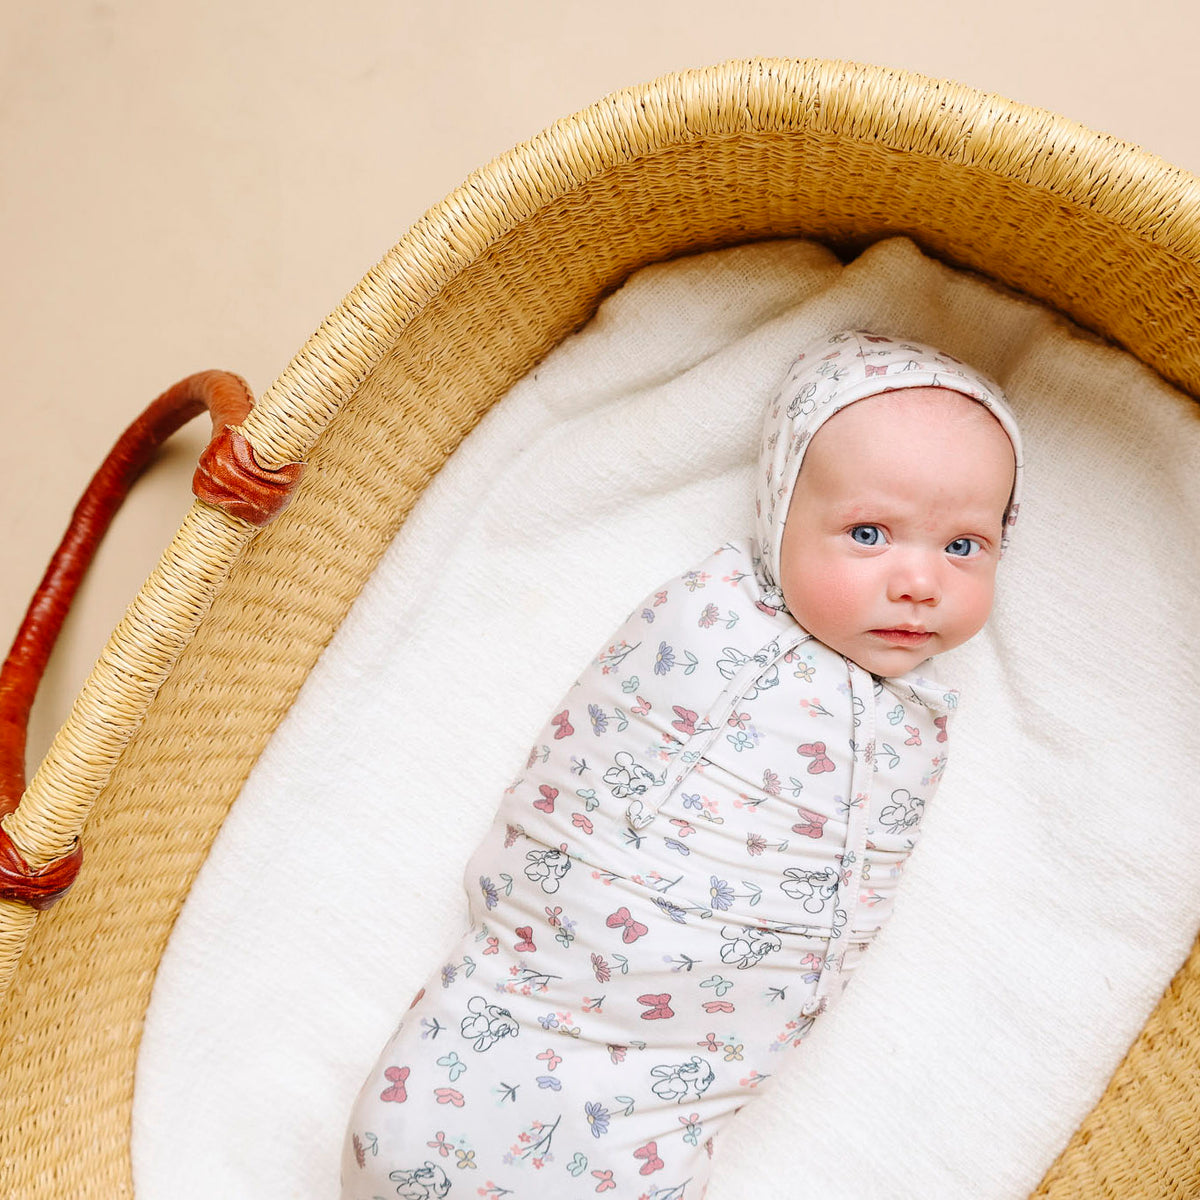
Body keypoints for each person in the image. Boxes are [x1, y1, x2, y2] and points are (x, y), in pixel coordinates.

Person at [341, 328, 1023, 1200]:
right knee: (428, 1125)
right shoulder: (712, 622)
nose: (920, 582)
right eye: (868, 533)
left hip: (693, 1065)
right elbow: (581, 766)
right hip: (561, 981)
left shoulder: (918, 717)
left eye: (963, 546)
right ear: (782, 515)